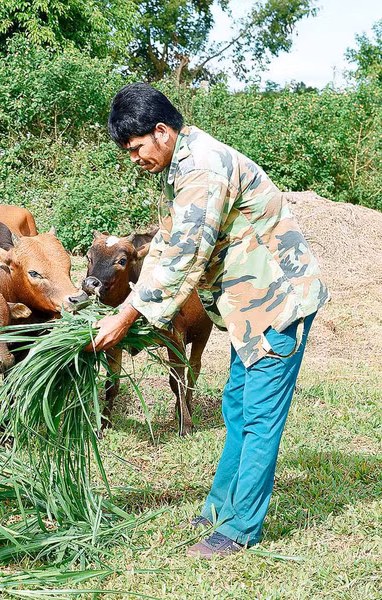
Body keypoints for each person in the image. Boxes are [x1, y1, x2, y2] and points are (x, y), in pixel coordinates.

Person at [90, 83, 329, 557]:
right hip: (246, 307)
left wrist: (127, 316)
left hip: (276, 303)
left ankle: (239, 530)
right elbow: (164, 244)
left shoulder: (202, 168)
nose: (134, 159)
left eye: (136, 148)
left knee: (259, 417)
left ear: (161, 131)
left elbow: (185, 255)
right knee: (237, 407)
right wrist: (128, 304)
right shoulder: (181, 166)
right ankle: (219, 508)